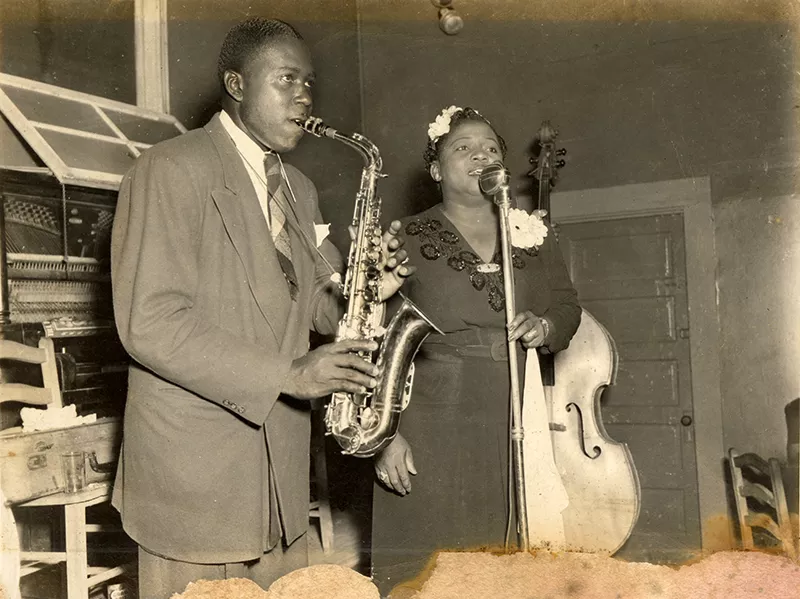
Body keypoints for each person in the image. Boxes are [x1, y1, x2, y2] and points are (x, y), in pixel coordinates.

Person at [110, 18, 413, 599]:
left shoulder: (296, 187)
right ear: (236, 83)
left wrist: (372, 287)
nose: (304, 96)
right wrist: (290, 374)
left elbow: (319, 306)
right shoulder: (168, 168)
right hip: (194, 479)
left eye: (309, 83)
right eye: (286, 79)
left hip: (278, 475)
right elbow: (149, 322)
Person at [369, 106, 582, 597]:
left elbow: (567, 307)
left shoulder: (535, 233)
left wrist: (546, 324)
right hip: (427, 419)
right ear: (436, 170)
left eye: (490, 147)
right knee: (427, 568)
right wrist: (384, 436)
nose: (480, 154)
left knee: (508, 564)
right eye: (462, 147)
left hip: (514, 414)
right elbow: (374, 335)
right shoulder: (403, 236)